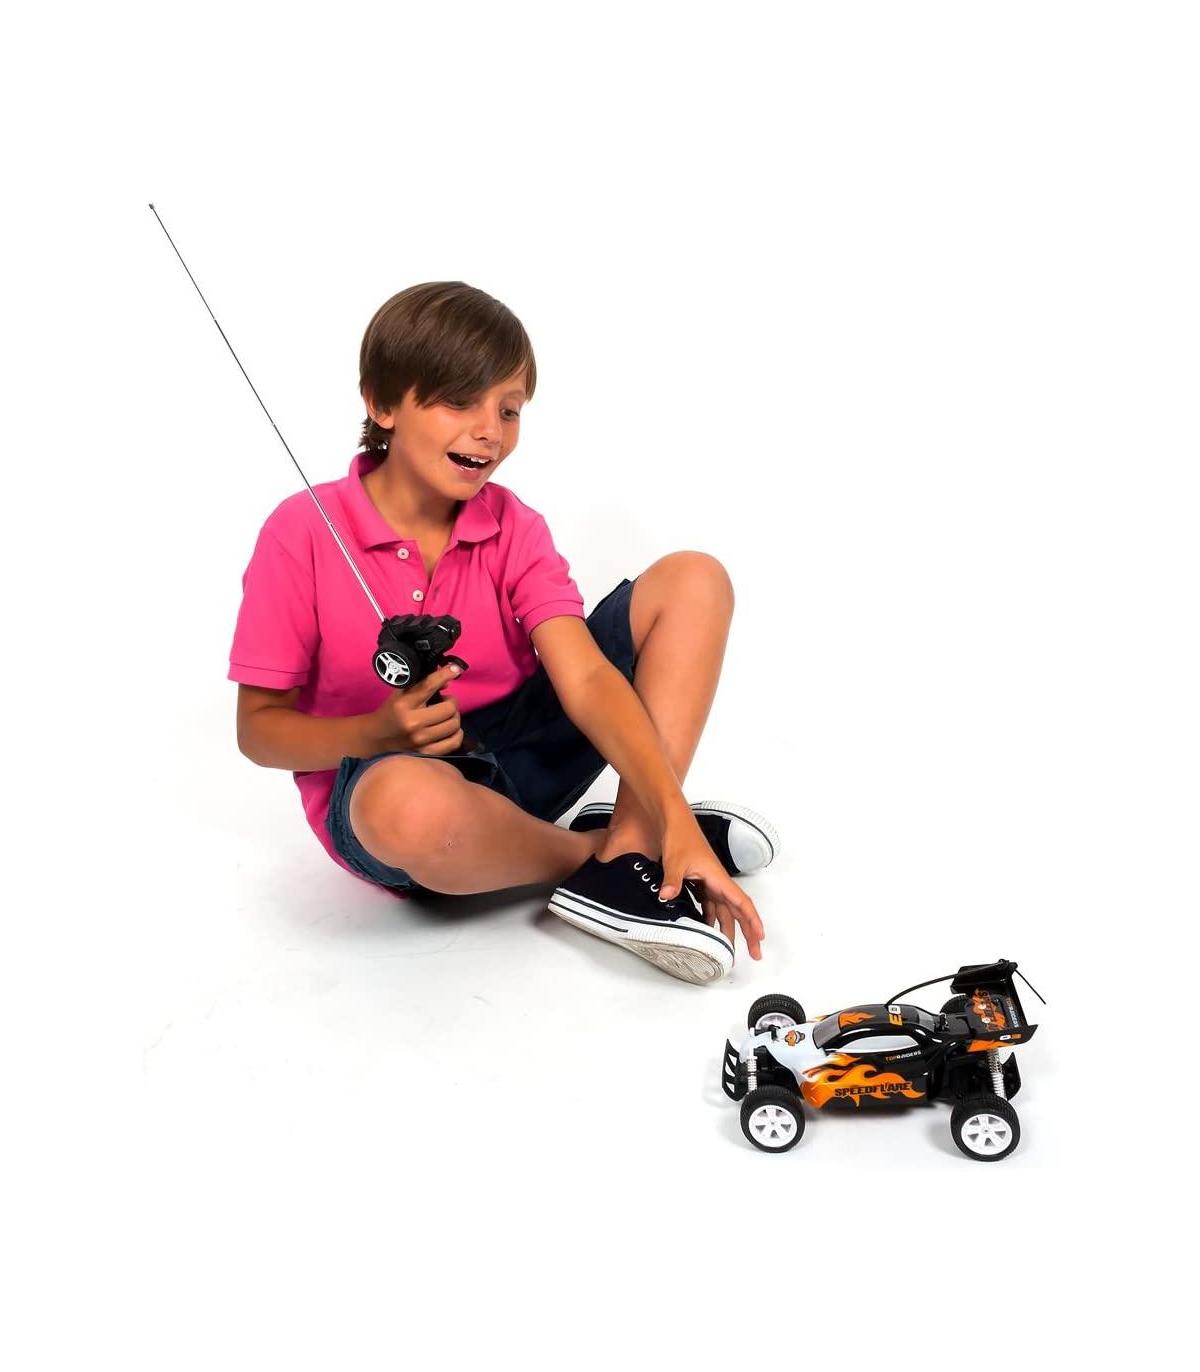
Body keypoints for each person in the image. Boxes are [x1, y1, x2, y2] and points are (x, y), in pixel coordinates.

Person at [229, 282, 778, 984]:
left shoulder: (513, 524)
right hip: (395, 790)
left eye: (509, 409)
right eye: (460, 401)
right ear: (382, 404)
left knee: (694, 578)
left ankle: (642, 834)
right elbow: (258, 732)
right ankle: (608, 855)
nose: (491, 429)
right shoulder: (300, 532)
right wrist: (376, 733)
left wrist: (671, 812)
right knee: (409, 807)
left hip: (523, 757)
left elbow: (585, 677)